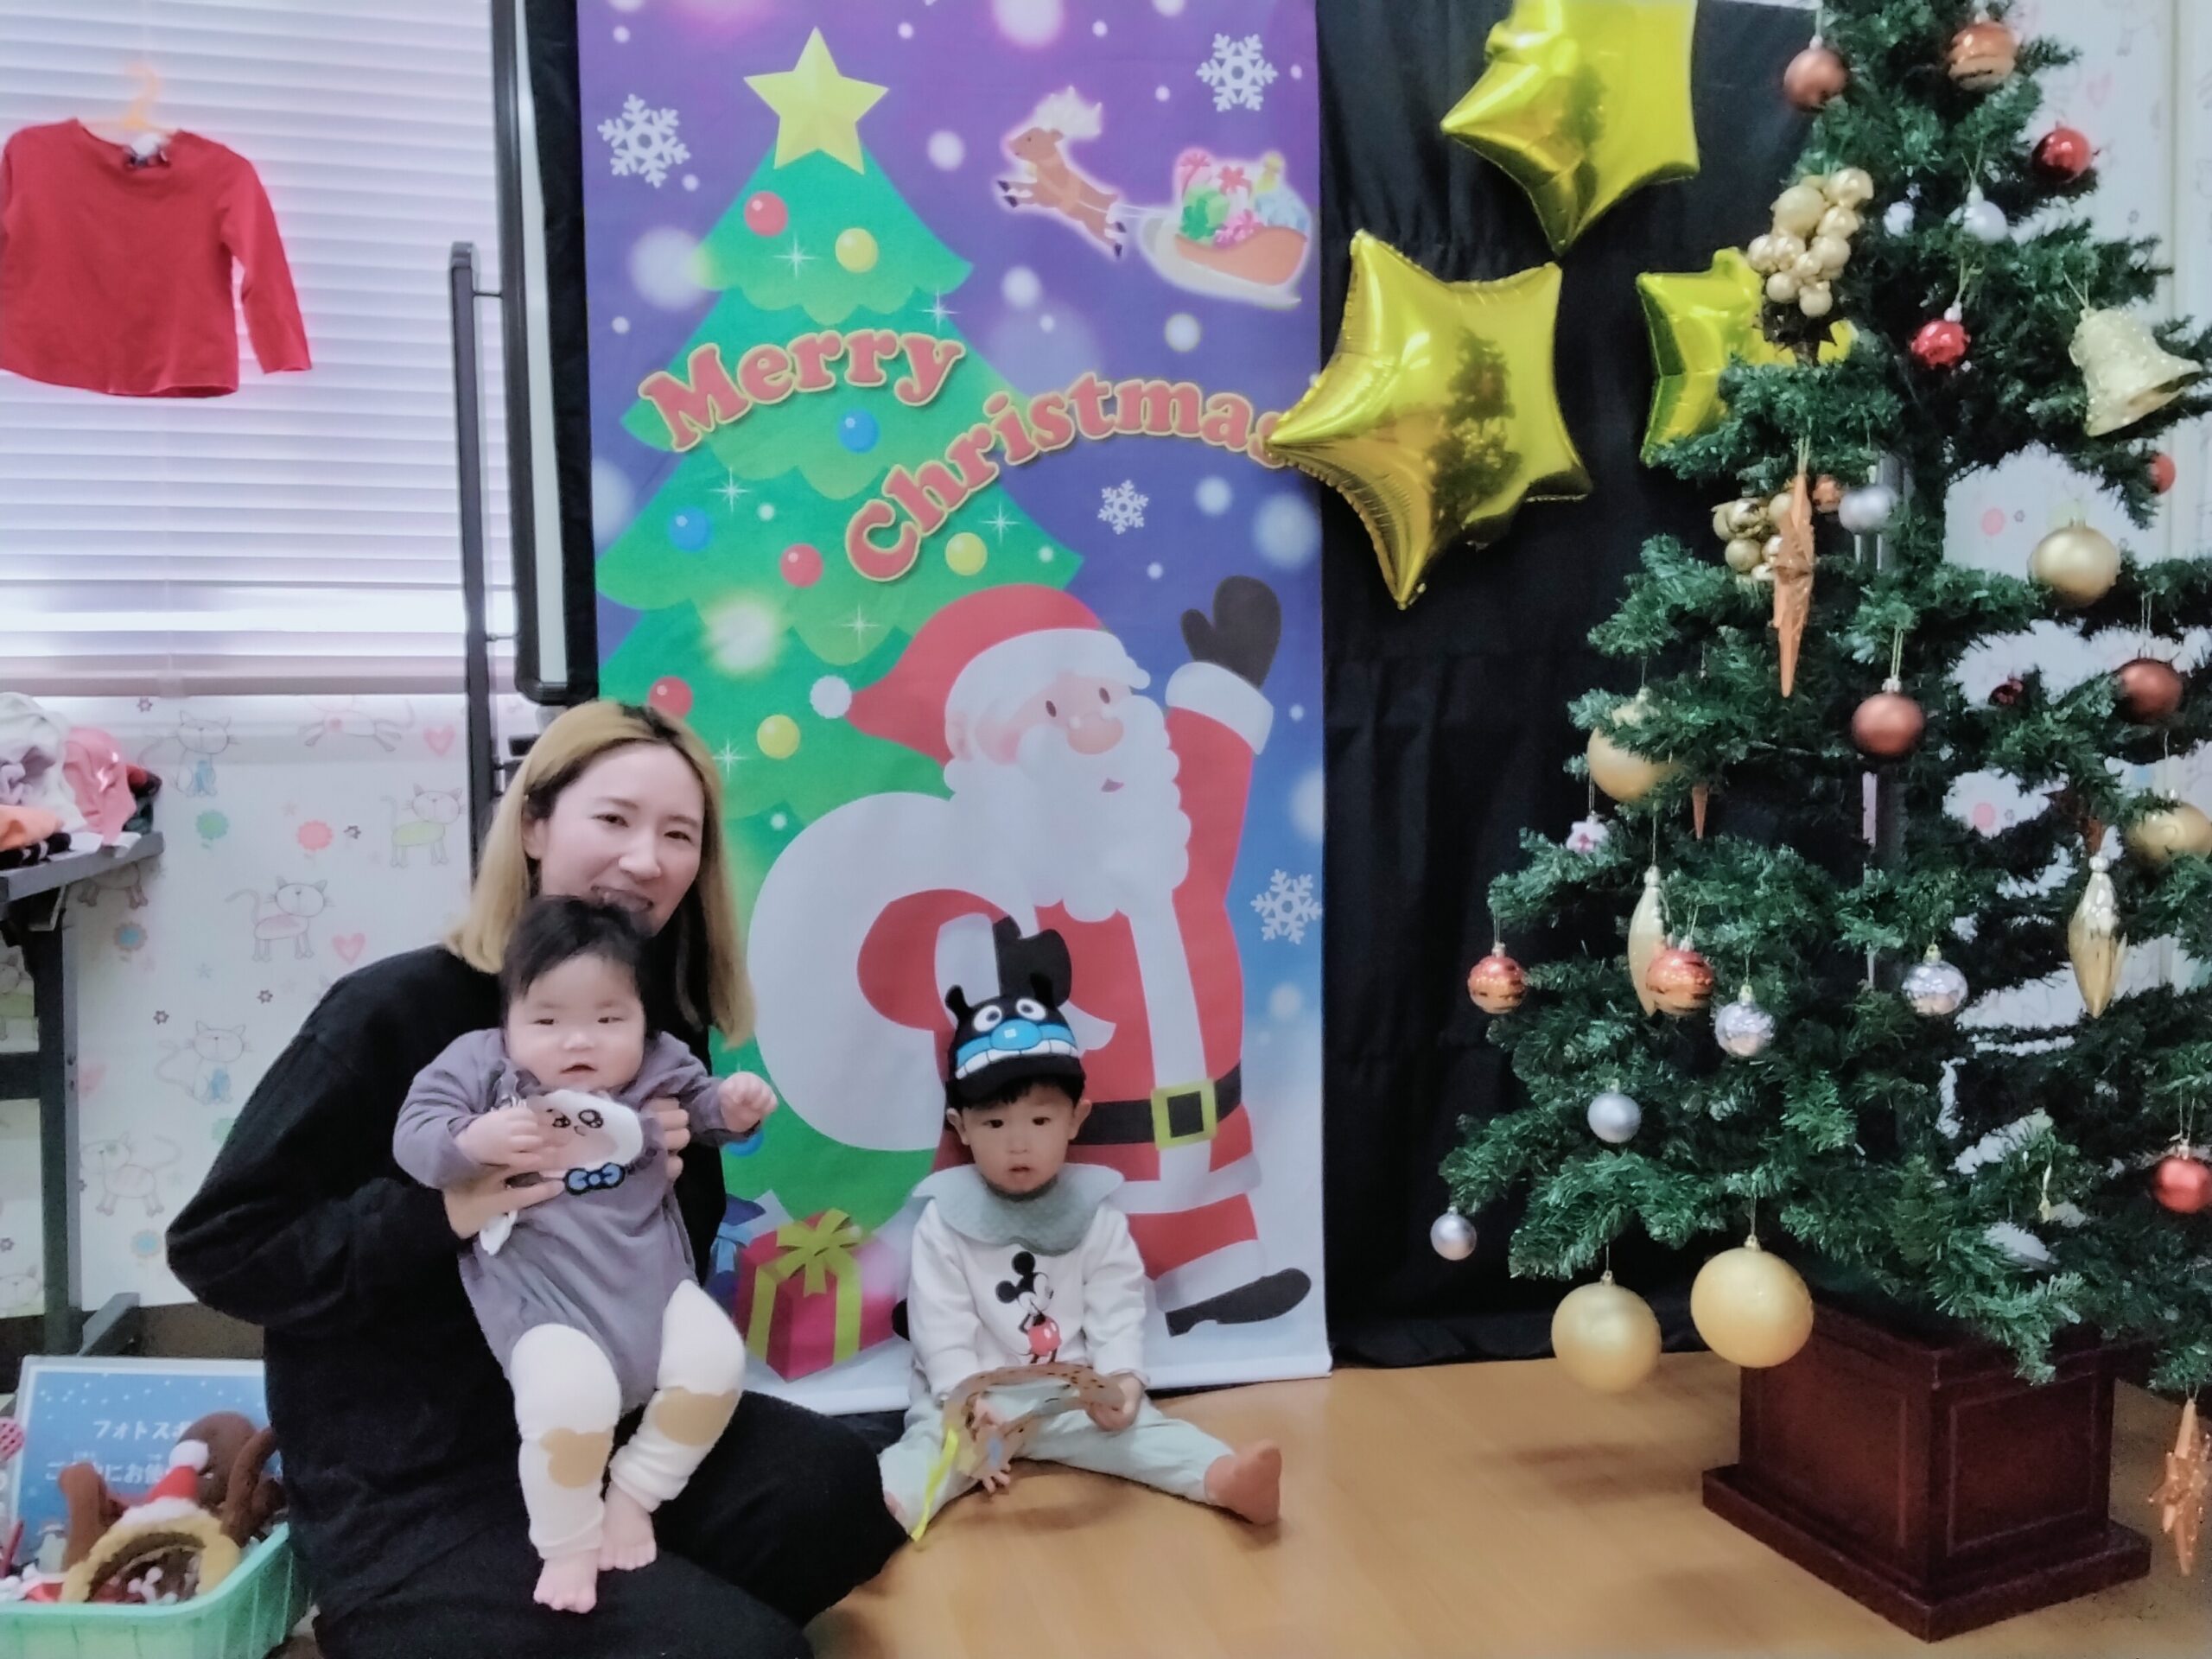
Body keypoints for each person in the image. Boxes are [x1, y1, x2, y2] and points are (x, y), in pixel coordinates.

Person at [168, 701, 905, 1659]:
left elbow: (663, 1253)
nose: (645, 859)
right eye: (615, 819)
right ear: (533, 826)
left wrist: (671, 1163)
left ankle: (635, 1598)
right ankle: (436, 1621)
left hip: (606, 1426)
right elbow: (223, 1246)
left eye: (678, 835)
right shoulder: (393, 1011)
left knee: (834, 1488)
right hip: (422, 1485)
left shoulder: (649, 1021)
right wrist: (447, 1207)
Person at [393, 896, 773, 1614]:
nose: (578, 1042)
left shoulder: (659, 1064)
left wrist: (734, 1106)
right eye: (547, 1021)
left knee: (718, 1364)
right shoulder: (481, 1067)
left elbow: (704, 1109)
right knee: (567, 1404)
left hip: (653, 1284)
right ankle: (567, 1543)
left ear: (643, 1018)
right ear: (508, 1017)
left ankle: (636, 1490)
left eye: (607, 1020)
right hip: (545, 1303)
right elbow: (415, 1134)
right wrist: (472, 1142)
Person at [877, 921, 1282, 1531]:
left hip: (1069, 1401)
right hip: (971, 1407)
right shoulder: (945, 1221)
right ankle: (884, 1508)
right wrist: (970, 1405)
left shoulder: (1097, 1215)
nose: (1018, 1143)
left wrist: (1121, 1383)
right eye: (994, 1124)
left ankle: (1223, 1477)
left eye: (1040, 1121)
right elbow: (941, 1329)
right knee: (927, 1453)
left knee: (1145, 1434)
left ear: (1076, 1119)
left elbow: (1117, 1309)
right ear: (961, 1128)